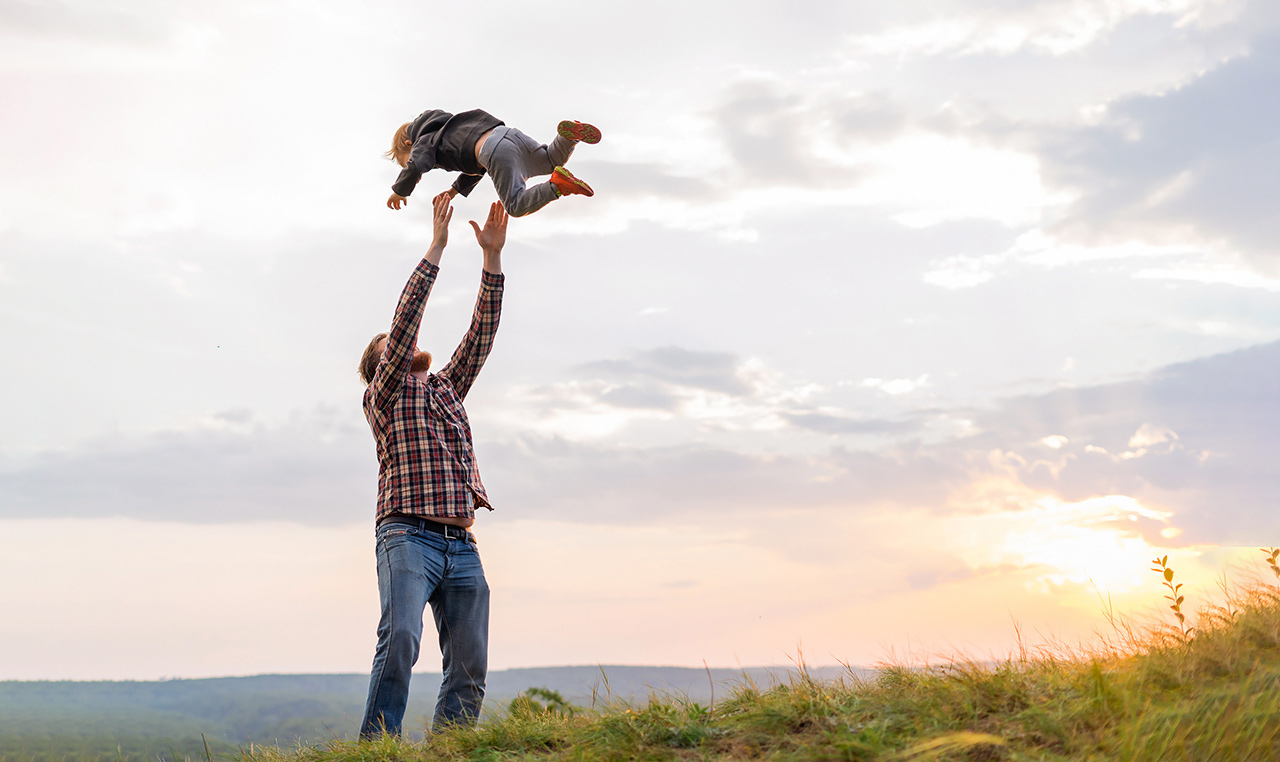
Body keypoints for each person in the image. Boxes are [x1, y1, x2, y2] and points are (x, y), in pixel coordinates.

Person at [356, 192, 508, 737]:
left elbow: (481, 337)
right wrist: (437, 247)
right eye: (391, 344)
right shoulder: (387, 392)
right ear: (381, 363)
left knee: (470, 664)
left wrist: (491, 259)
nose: (406, 342)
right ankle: (377, 747)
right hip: (407, 537)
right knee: (400, 639)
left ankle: (452, 749)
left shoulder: (446, 387)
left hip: (461, 544)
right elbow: (403, 325)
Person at [385, 108, 600, 217]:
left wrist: (400, 190)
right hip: (507, 135)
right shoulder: (449, 130)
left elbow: (416, 165)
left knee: (515, 206)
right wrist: (452, 192)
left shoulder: (423, 141)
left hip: (495, 152)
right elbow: (475, 167)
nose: (419, 174)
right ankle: (569, 136)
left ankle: (557, 185)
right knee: (550, 161)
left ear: (409, 144)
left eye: (406, 162)